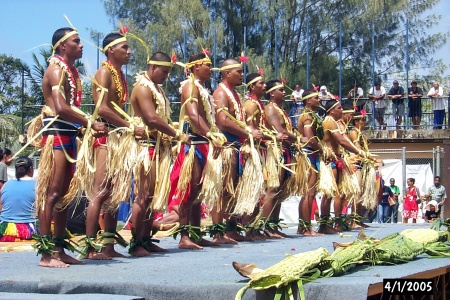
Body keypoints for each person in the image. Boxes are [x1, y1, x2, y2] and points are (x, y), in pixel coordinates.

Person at [34, 27, 105, 268]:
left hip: (67, 134)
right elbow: (61, 107)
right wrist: (88, 122)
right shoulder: (55, 69)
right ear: (63, 46)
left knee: (64, 196)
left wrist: (84, 124)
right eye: (76, 41)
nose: (81, 45)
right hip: (57, 136)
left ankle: (58, 248)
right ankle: (45, 255)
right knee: (52, 194)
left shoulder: (69, 70)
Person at [82, 32, 144, 260]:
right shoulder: (104, 72)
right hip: (106, 138)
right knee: (100, 192)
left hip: (118, 138)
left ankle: (108, 246)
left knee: (114, 193)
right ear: (111, 50)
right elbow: (102, 109)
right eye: (125, 48)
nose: (129, 52)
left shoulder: (119, 74)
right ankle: (89, 248)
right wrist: (130, 124)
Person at [129, 51, 188, 256]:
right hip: (146, 147)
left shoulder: (156, 89)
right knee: (143, 196)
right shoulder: (142, 88)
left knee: (152, 196)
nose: (166, 76)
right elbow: (152, 119)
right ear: (153, 67)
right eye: (164, 71)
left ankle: (145, 239)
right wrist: (176, 134)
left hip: (157, 145)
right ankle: (136, 243)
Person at [168, 51, 223, 249]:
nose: (210, 69)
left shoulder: (201, 87)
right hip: (193, 144)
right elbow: (192, 114)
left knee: (197, 192)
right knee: (188, 190)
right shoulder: (190, 86)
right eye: (207, 65)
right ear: (196, 67)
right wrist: (211, 134)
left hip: (201, 141)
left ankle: (195, 233)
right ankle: (184, 237)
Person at [213, 59, 263, 244]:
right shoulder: (220, 93)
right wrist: (247, 132)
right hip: (227, 146)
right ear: (227, 73)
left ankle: (231, 229)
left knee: (233, 189)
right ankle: (218, 233)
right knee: (224, 189)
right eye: (238, 71)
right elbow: (222, 122)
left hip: (236, 146)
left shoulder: (233, 93)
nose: (242, 75)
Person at [320, 99, 367, 233]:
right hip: (331, 161)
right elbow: (341, 140)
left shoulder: (334, 122)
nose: (342, 110)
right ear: (331, 110)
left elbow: (343, 140)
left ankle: (336, 222)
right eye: (339, 108)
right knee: (329, 193)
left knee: (338, 193)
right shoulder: (329, 121)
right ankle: (325, 224)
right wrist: (359, 152)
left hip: (338, 159)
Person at [297, 89, 323, 236]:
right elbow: (310, 139)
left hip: (311, 154)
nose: (318, 100)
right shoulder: (307, 116)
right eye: (316, 98)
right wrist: (322, 149)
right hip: (309, 155)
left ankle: (303, 226)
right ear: (308, 101)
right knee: (309, 193)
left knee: (308, 193)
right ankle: (306, 228)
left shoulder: (311, 115)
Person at [0, 157, 37, 241]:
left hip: (5, 229)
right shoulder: (38, 185)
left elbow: (1, 208)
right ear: (31, 168)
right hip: (29, 229)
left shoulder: (6, 185)